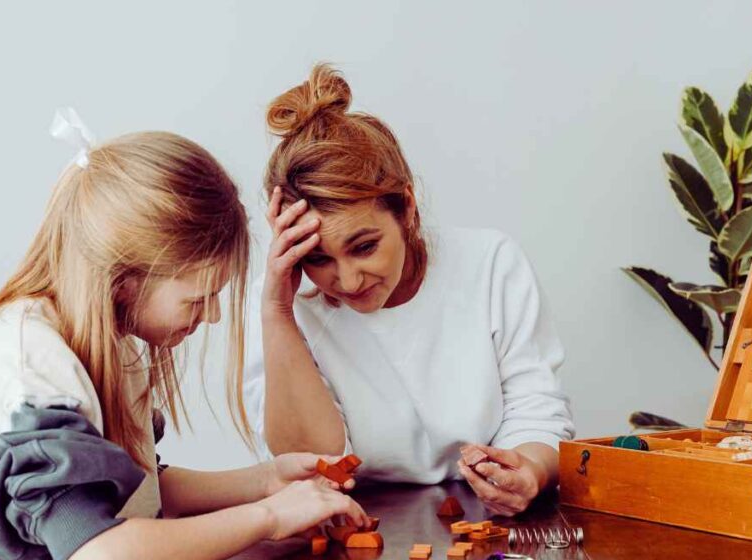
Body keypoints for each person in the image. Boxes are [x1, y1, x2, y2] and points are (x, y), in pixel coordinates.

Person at [0, 109, 368, 560]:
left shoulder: (103, 345)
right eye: (197, 300)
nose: (212, 314)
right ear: (124, 279)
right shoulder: (25, 371)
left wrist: (265, 481)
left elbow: (137, 497)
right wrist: (267, 517)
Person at [245, 66, 575, 517]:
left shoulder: (491, 263)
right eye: (317, 259)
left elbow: (536, 407)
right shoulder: (282, 301)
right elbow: (313, 465)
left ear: (408, 210)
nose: (348, 281)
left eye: (364, 247)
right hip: (351, 520)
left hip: (481, 518)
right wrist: (277, 312)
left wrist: (530, 470)